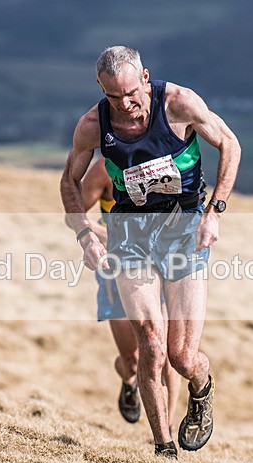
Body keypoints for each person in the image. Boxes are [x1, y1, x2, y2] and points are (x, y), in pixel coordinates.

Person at [61, 46, 241, 458]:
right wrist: (84, 234)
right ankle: (164, 449)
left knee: (180, 356)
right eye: (112, 97)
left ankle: (201, 385)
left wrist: (215, 212)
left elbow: (230, 145)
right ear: (101, 91)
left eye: (130, 94)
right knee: (149, 342)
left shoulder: (179, 103)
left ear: (146, 78)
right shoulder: (92, 125)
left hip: (184, 230)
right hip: (130, 232)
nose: (124, 105)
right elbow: (69, 181)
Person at [78, 158, 182, 430]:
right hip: (117, 270)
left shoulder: (167, 162)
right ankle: (128, 381)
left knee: (167, 355)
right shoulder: (103, 169)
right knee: (133, 361)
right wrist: (108, 235)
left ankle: (167, 427)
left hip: (158, 268)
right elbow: (76, 215)